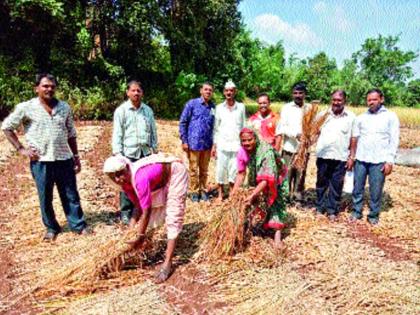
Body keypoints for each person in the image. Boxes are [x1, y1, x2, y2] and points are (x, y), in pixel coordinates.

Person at [1, 73, 90, 241]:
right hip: (41, 161)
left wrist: (76, 157)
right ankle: (51, 227)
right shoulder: (26, 107)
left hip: (64, 158)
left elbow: (71, 133)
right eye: (45, 86)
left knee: (71, 194)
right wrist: (21, 149)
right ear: (37, 88)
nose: (49, 89)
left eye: (52, 86)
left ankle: (78, 225)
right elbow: (7, 127)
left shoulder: (64, 107)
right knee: (45, 196)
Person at [103, 153, 188, 283]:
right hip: (160, 181)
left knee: (173, 215)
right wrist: (131, 231)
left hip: (175, 173)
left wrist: (140, 236)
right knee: (150, 221)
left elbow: (146, 210)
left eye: (120, 173)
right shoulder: (125, 183)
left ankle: (167, 263)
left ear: (126, 167)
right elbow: (138, 206)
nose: (119, 179)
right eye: (114, 177)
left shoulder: (140, 178)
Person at [231, 128, 288, 249]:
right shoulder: (242, 151)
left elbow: (266, 179)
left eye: (249, 140)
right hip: (258, 175)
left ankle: (277, 237)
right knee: (259, 201)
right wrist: (234, 192)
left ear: (255, 138)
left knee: (275, 202)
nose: (246, 143)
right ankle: (259, 227)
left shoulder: (265, 152)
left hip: (275, 177)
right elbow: (241, 174)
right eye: (243, 141)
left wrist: (252, 195)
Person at [350, 89, 399, 225]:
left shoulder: (390, 116)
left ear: (381, 99)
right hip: (361, 158)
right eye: (369, 100)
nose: (371, 102)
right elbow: (355, 138)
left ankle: (373, 215)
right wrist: (352, 157)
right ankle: (356, 211)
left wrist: (390, 161)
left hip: (379, 160)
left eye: (374, 99)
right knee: (357, 188)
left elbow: (394, 140)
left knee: (376, 190)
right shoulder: (361, 118)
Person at [112, 80, 157, 224]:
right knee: (126, 183)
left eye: (138, 91)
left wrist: (155, 149)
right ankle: (126, 212)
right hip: (129, 153)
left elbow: (153, 131)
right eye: (133, 90)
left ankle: (144, 210)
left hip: (144, 152)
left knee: (145, 182)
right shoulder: (121, 111)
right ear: (127, 92)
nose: (136, 93)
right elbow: (117, 133)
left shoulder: (147, 111)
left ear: (142, 93)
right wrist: (118, 154)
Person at [314, 90, 356, 221]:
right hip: (323, 155)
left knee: (336, 185)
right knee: (321, 183)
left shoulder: (351, 117)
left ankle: (332, 210)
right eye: (334, 100)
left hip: (341, 156)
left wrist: (351, 157)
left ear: (344, 101)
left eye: (339, 100)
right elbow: (314, 131)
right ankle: (320, 208)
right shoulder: (323, 115)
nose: (336, 102)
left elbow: (354, 138)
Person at [275, 82, 311, 203]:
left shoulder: (310, 108)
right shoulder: (286, 108)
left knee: (300, 174)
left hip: (304, 149)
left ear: (305, 94)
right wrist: (296, 135)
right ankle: (285, 197)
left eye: (300, 93)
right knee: (287, 173)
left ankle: (297, 197)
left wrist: (308, 137)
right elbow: (282, 127)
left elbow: (313, 127)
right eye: (295, 93)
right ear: (292, 94)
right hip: (289, 147)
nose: (298, 95)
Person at [179, 82, 215, 202]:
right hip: (193, 143)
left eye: (210, 90)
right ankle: (194, 191)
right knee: (193, 169)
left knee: (204, 170)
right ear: (201, 91)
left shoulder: (213, 107)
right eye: (206, 89)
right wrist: (184, 140)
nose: (208, 92)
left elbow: (215, 125)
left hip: (207, 144)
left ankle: (203, 190)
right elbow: (183, 122)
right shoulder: (192, 104)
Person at [212, 80, 246, 201]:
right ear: (224, 92)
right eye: (226, 91)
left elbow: (243, 127)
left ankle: (232, 194)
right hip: (222, 143)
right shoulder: (219, 108)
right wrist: (214, 146)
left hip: (236, 144)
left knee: (234, 169)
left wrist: (244, 145)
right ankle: (220, 194)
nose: (229, 93)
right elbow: (216, 128)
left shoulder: (241, 107)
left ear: (235, 92)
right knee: (221, 169)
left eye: (231, 90)